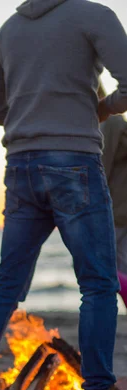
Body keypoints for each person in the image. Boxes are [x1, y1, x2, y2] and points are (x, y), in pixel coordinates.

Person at [0, 0, 127, 390]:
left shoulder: (7, 30)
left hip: (21, 166)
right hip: (74, 160)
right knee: (98, 284)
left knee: (6, 285)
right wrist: (103, 107)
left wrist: (29, 109)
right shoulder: (94, 15)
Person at [99, 85, 127, 309]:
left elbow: (101, 169)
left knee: (105, 272)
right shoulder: (116, 123)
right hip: (115, 211)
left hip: (115, 212)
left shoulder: (112, 124)